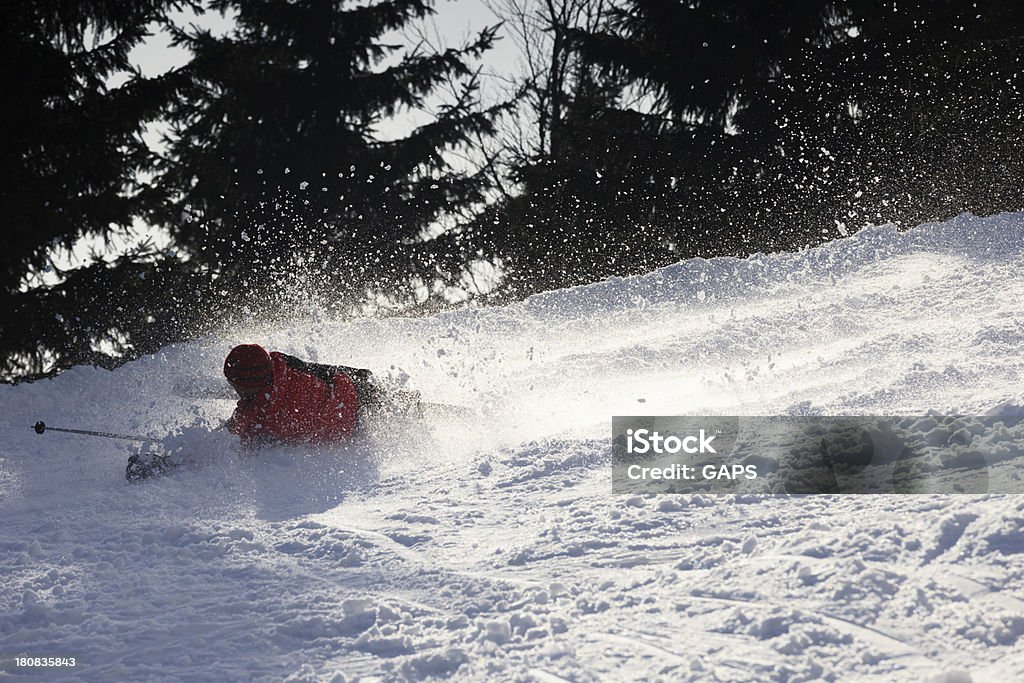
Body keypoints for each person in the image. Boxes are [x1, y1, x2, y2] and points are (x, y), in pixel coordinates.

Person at [222, 343, 414, 446]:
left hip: (350, 422)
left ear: (249, 384)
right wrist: (357, 373)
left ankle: (412, 408)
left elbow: (227, 437)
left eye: (235, 383)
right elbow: (318, 370)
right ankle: (411, 405)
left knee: (398, 415)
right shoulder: (282, 365)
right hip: (351, 390)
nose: (233, 388)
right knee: (397, 407)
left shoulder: (257, 415)